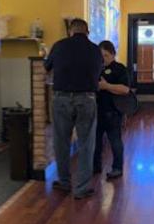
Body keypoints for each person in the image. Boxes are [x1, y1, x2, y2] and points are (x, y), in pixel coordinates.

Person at [44, 18, 103, 199]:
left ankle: (64, 182)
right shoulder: (95, 50)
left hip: (61, 98)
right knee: (86, 144)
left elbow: (47, 68)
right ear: (87, 32)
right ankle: (81, 188)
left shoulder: (59, 46)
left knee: (61, 142)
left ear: (70, 31)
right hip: (86, 98)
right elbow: (98, 73)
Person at [93, 41, 131, 180]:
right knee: (95, 142)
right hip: (96, 111)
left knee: (115, 141)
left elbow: (125, 89)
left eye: (106, 55)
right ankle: (95, 167)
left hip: (113, 112)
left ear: (113, 54)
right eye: (101, 56)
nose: (103, 58)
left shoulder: (120, 69)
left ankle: (117, 168)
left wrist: (106, 86)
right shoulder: (95, 69)